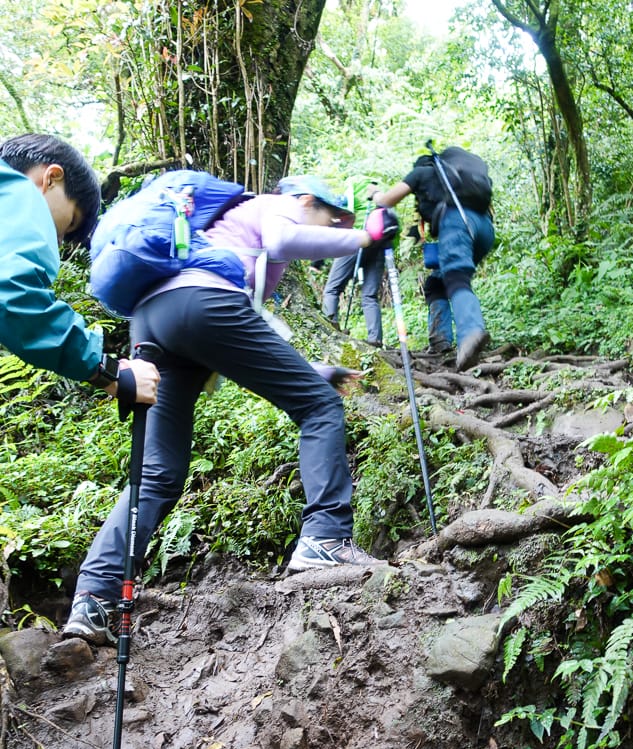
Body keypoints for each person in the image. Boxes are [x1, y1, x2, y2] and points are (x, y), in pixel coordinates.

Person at [62, 174, 399, 646]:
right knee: (320, 407)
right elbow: (280, 241)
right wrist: (364, 237)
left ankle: (94, 598)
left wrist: (308, 369)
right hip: (201, 304)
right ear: (306, 201)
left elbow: (242, 334)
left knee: (158, 471)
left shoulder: (220, 235)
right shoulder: (274, 205)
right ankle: (326, 538)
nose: (331, 230)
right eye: (331, 219)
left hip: (153, 320)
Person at [0, 133, 160, 406]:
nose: (58, 241)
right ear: (51, 178)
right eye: (70, 223)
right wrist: (110, 372)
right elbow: (12, 293)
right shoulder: (20, 193)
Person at [367, 150, 494, 372]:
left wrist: (375, 193)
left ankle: (471, 332)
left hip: (457, 221)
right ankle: (440, 341)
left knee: (456, 278)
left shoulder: (422, 173)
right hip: (485, 228)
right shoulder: (455, 181)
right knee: (437, 282)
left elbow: (387, 201)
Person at [322, 175, 385, 347]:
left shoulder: (353, 186)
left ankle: (331, 329)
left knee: (332, 289)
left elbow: (345, 211)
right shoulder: (380, 195)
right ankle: (375, 339)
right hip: (379, 244)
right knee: (370, 295)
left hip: (356, 240)